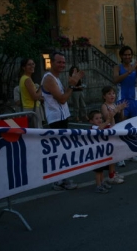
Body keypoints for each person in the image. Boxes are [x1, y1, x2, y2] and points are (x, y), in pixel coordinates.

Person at [41, 51, 85, 190]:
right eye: (59, 62)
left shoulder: (56, 78)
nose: (62, 65)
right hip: (56, 119)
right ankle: (59, 181)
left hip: (62, 117)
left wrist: (71, 83)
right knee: (59, 150)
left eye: (63, 62)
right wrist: (72, 86)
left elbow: (63, 94)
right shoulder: (49, 78)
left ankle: (61, 178)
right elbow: (62, 99)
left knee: (62, 150)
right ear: (52, 63)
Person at [113, 46, 137, 163]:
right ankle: (120, 156)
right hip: (122, 101)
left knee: (134, 128)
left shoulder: (135, 68)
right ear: (121, 56)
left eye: (129, 54)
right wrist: (129, 71)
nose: (128, 57)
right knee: (121, 128)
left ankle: (132, 153)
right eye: (125, 55)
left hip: (134, 101)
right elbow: (115, 80)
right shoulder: (117, 67)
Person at [89, 108, 124, 193]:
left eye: (100, 118)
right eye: (96, 118)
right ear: (91, 121)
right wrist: (107, 120)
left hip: (103, 152)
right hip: (96, 153)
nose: (99, 120)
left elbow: (112, 125)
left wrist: (112, 116)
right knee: (98, 171)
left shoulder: (104, 125)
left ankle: (102, 182)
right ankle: (98, 185)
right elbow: (100, 128)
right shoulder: (93, 128)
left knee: (101, 171)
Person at [100, 85, 128, 168]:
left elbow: (121, 118)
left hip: (118, 126)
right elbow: (107, 118)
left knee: (121, 142)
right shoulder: (104, 106)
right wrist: (116, 110)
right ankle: (117, 159)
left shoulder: (115, 105)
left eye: (113, 93)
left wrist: (122, 109)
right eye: (109, 94)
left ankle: (125, 156)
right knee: (115, 144)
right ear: (104, 96)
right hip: (111, 128)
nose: (112, 95)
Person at [18, 58, 44, 128]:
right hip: (32, 109)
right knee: (38, 131)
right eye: (29, 65)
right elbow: (35, 97)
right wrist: (42, 87)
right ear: (24, 67)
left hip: (27, 108)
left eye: (33, 64)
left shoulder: (23, 78)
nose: (32, 66)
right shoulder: (27, 79)